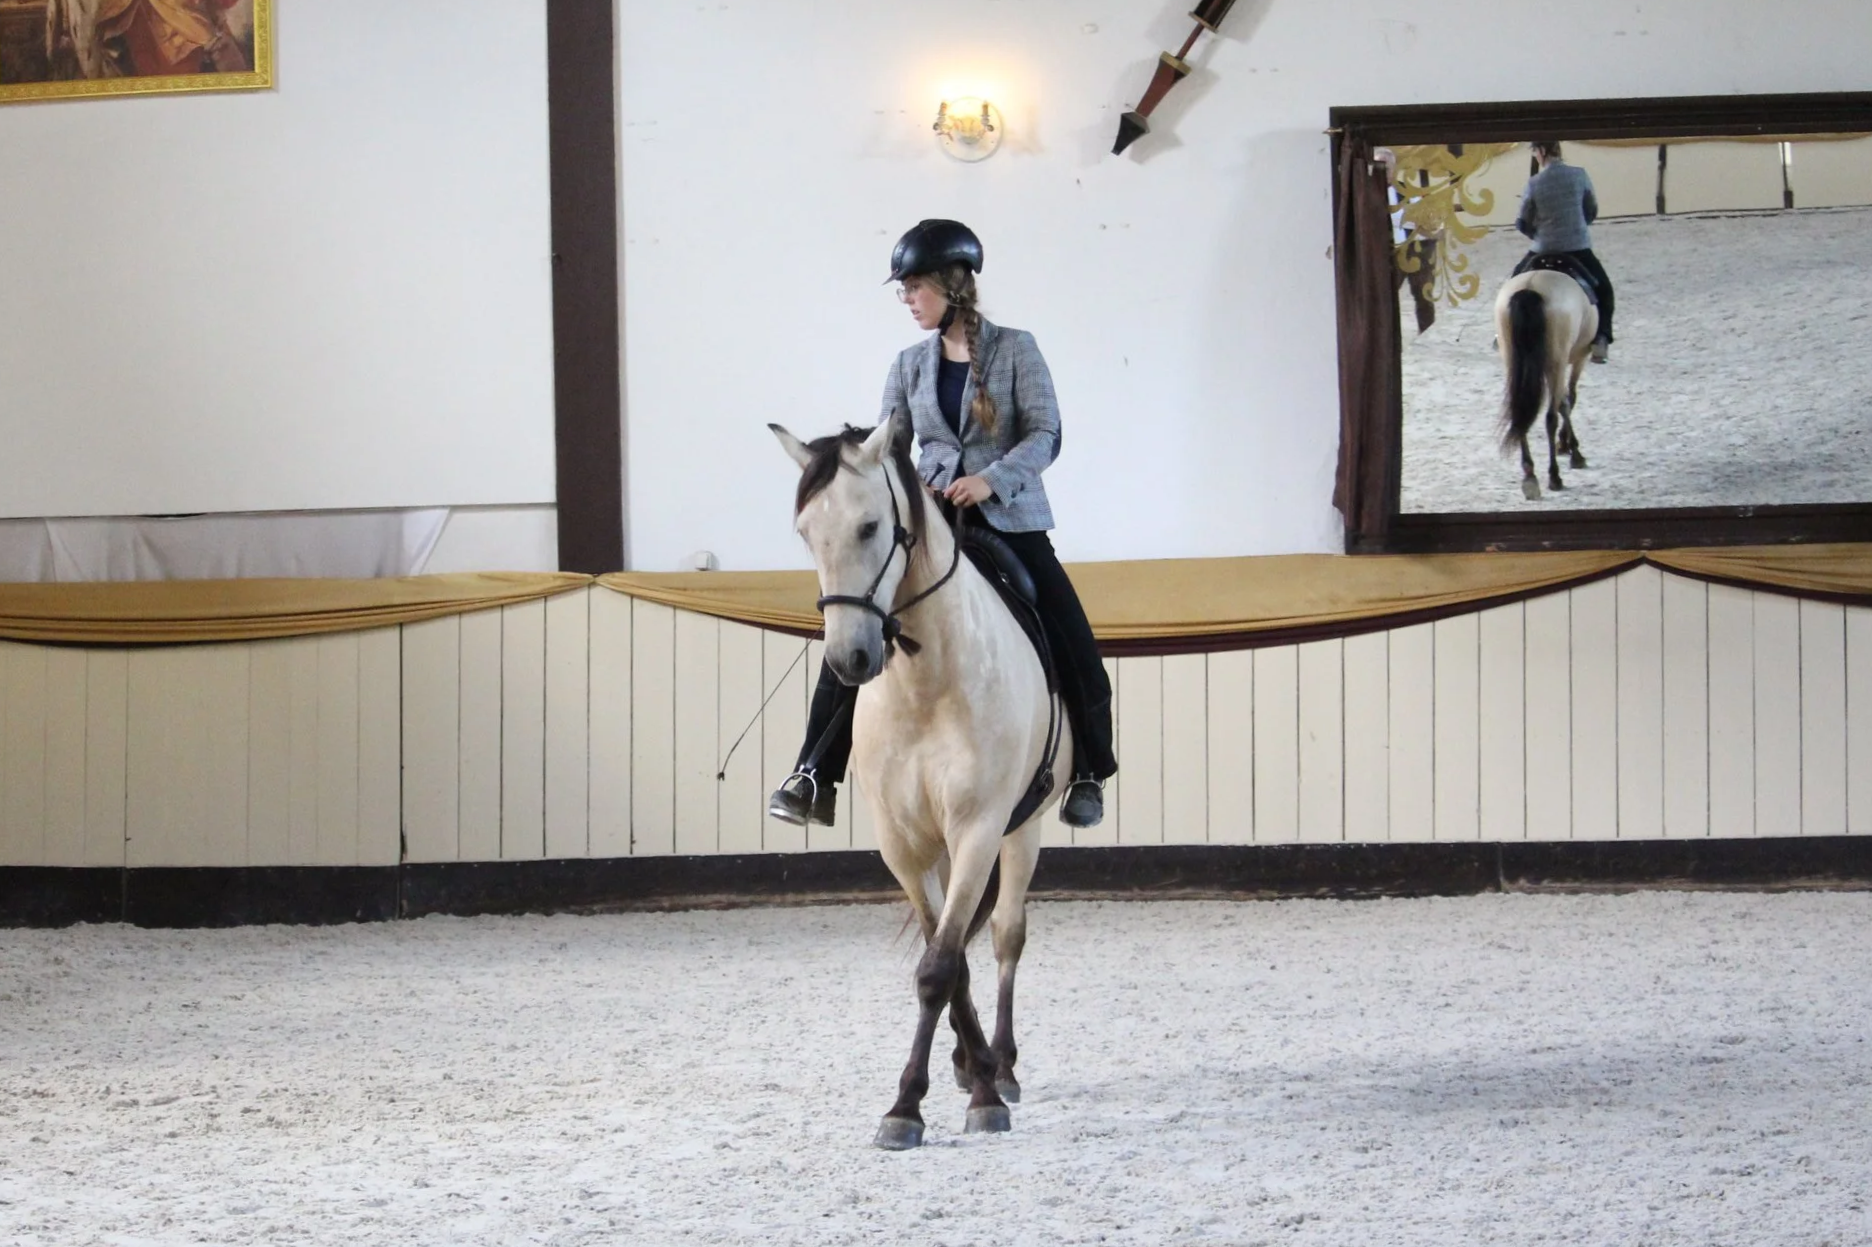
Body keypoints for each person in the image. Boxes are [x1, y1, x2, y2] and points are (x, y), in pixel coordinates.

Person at [768, 219, 1117, 830]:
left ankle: (1087, 770)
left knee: (1072, 632)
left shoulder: (1017, 349)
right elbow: (886, 448)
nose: (907, 301)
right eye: (902, 292)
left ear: (952, 286)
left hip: (1009, 522)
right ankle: (813, 771)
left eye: (914, 289)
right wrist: (913, 485)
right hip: (933, 525)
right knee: (861, 625)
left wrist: (991, 480)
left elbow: (1046, 434)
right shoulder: (907, 365)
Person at [1514, 140, 1615, 362]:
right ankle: (1601, 338)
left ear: (1541, 151)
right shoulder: (1580, 175)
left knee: (1513, 284)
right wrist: (1577, 227)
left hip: (1542, 249)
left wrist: (1537, 235)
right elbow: (1591, 209)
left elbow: (1522, 222)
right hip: (1577, 248)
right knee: (1604, 290)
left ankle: (1505, 334)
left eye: (1535, 153)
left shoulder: (1534, 183)